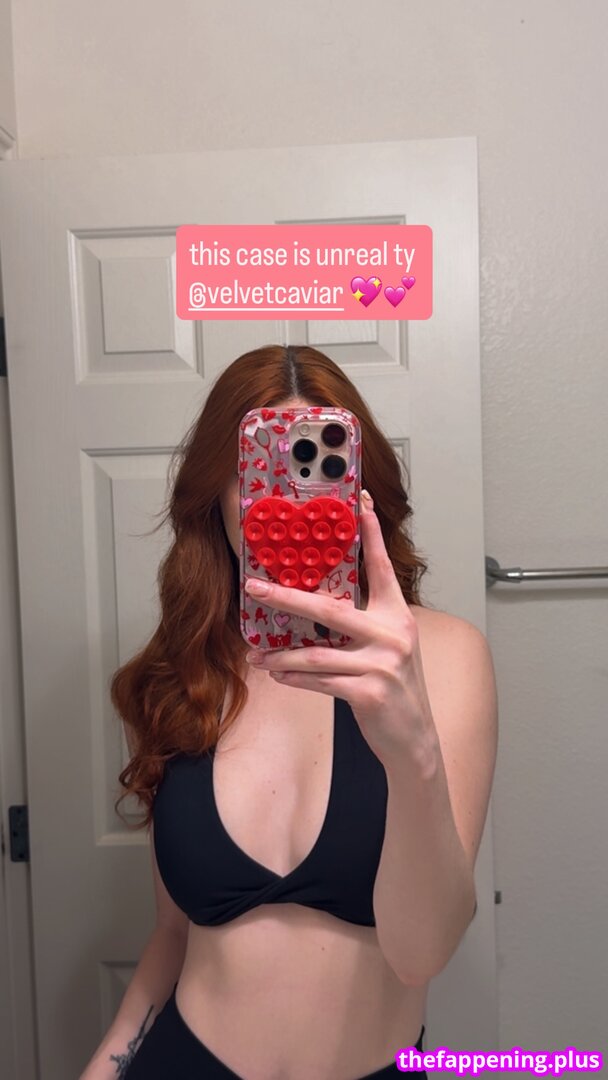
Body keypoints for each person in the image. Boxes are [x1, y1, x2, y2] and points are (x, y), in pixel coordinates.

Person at [80, 344, 498, 1080]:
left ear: (360, 493)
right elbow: (172, 935)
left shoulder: (442, 659)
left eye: (317, 472)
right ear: (217, 498)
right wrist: (105, 1067)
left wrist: (413, 749)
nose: (288, 506)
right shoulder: (182, 675)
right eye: (257, 473)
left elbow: (421, 953)